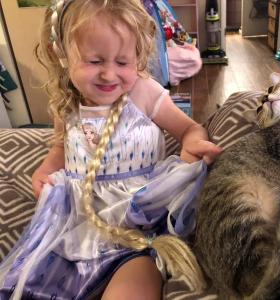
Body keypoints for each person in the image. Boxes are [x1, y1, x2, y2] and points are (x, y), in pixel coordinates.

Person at [0, 0, 222, 299]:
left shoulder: (144, 92)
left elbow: (189, 128)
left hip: (136, 225)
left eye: (122, 62)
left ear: (138, 56)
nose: (108, 75)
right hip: (76, 225)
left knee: (136, 283)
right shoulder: (67, 105)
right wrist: (45, 171)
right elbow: (59, 150)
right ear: (62, 54)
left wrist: (192, 142)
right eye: (94, 61)